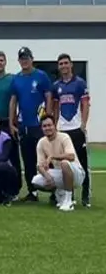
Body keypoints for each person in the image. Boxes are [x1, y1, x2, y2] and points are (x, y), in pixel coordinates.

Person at [8, 46, 53, 202]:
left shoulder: (41, 76)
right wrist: (11, 123)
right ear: (19, 61)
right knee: (28, 161)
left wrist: (48, 119)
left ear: (32, 59)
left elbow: (48, 96)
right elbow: (13, 101)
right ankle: (32, 192)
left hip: (39, 126)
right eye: (22, 59)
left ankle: (54, 191)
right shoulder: (16, 78)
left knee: (47, 158)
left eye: (26, 58)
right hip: (24, 126)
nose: (24, 61)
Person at [52, 53, 91, 207]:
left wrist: (83, 124)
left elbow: (85, 104)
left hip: (76, 129)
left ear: (71, 64)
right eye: (61, 64)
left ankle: (86, 196)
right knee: (65, 163)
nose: (63, 66)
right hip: (63, 130)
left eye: (66, 63)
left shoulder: (80, 83)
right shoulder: (56, 86)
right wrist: (55, 126)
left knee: (82, 162)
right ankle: (70, 195)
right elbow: (56, 108)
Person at [31, 115, 85, 212]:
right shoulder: (41, 142)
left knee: (64, 163)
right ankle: (60, 194)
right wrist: (48, 177)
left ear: (54, 125)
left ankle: (69, 200)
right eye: (44, 126)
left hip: (76, 174)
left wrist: (52, 156)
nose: (47, 128)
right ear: (41, 128)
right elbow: (39, 166)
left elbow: (71, 156)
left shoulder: (64, 137)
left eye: (49, 125)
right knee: (36, 180)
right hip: (61, 173)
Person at [0, 51, 20, 176]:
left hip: (9, 122)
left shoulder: (12, 79)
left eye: (1, 60)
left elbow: (16, 99)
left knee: (13, 156)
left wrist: (14, 121)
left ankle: (16, 185)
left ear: (5, 62)